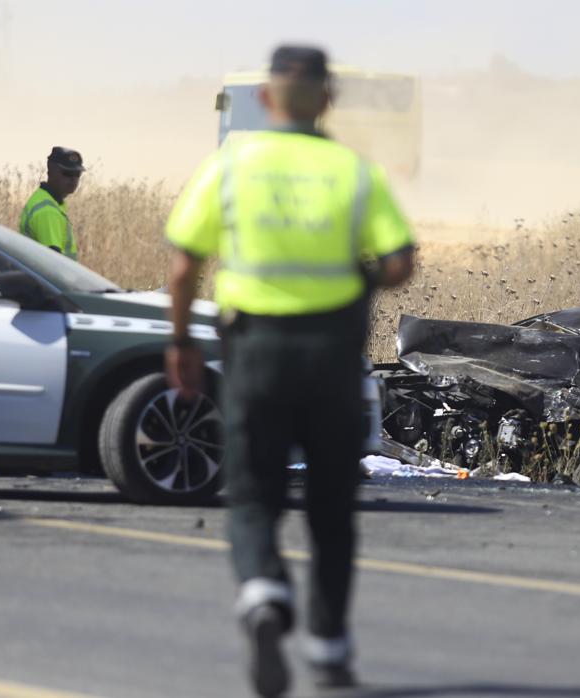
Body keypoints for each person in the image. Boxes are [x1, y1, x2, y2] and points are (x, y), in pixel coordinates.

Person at [164, 45, 415, 697]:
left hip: (255, 353)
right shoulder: (354, 172)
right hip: (331, 358)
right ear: (327, 101)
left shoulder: (231, 165)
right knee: (332, 506)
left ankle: (263, 594)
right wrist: (357, 275)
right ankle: (328, 649)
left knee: (252, 493)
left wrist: (180, 344)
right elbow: (399, 263)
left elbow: (183, 264)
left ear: (268, 99)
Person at [19, 147, 85, 260]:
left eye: (77, 174)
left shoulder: (46, 201)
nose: (73, 179)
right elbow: (53, 263)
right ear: (51, 171)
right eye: (67, 173)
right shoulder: (47, 211)